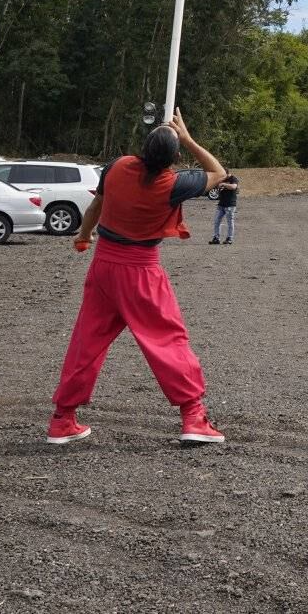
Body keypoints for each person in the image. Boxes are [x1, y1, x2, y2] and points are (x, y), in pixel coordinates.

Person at [47, 108, 229, 446]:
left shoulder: (116, 167)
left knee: (87, 341)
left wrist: (84, 236)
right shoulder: (174, 184)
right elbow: (218, 172)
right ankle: (193, 417)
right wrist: (187, 138)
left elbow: (96, 207)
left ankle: (62, 419)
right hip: (141, 270)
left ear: (143, 149)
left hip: (103, 266)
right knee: (167, 340)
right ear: (175, 158)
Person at [208, 173, 239, 245]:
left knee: (230, 222)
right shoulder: (221, 179)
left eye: (223, 175)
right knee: (217, 221)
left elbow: (234, 187)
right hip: (221, 204)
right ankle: (216, 238)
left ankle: (229, 238)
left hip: (230, 205)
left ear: (227, 173)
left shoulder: (233, 179)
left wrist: (224, 184)